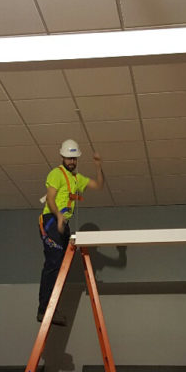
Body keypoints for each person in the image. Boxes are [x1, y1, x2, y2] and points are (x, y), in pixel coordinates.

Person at [37, 139, 104, 324]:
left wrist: (98, 167)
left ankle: (52, 310)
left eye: (74, 158)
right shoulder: (56, 174)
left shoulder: (76, 178)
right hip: (51, 221)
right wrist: (59, 217)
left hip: (62, 224)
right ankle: (43, 310)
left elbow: (98, 186)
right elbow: (51, 199)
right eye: (68, 158)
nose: (72, 161)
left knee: (61, 269)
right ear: (62, 157)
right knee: (53, 264)